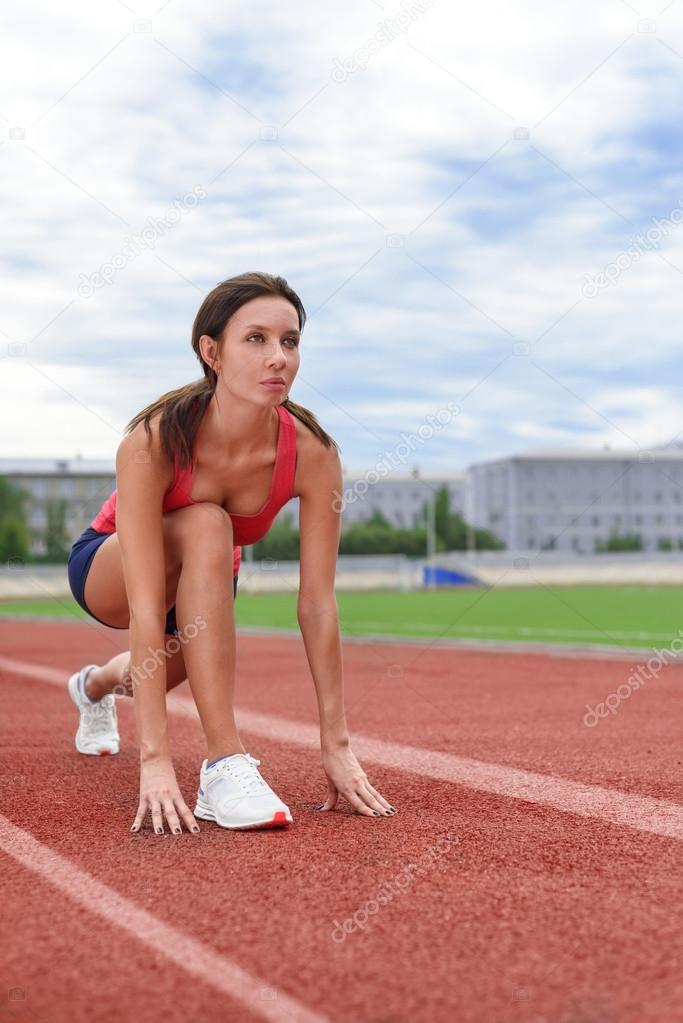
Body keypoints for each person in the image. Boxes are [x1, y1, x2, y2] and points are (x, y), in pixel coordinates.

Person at [66, 271, 397, 835]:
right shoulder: (152, 440)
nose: (278, 358)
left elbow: (317, 603)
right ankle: (224, 766)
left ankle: (92, 686)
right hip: (115, 569)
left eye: (289, 342)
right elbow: (146, 610)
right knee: (205, 521)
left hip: (210, 575)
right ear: (212, 352)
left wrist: (336, 745)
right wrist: (155, 761)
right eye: (256, 339)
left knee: (147, 673)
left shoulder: (314, 454)